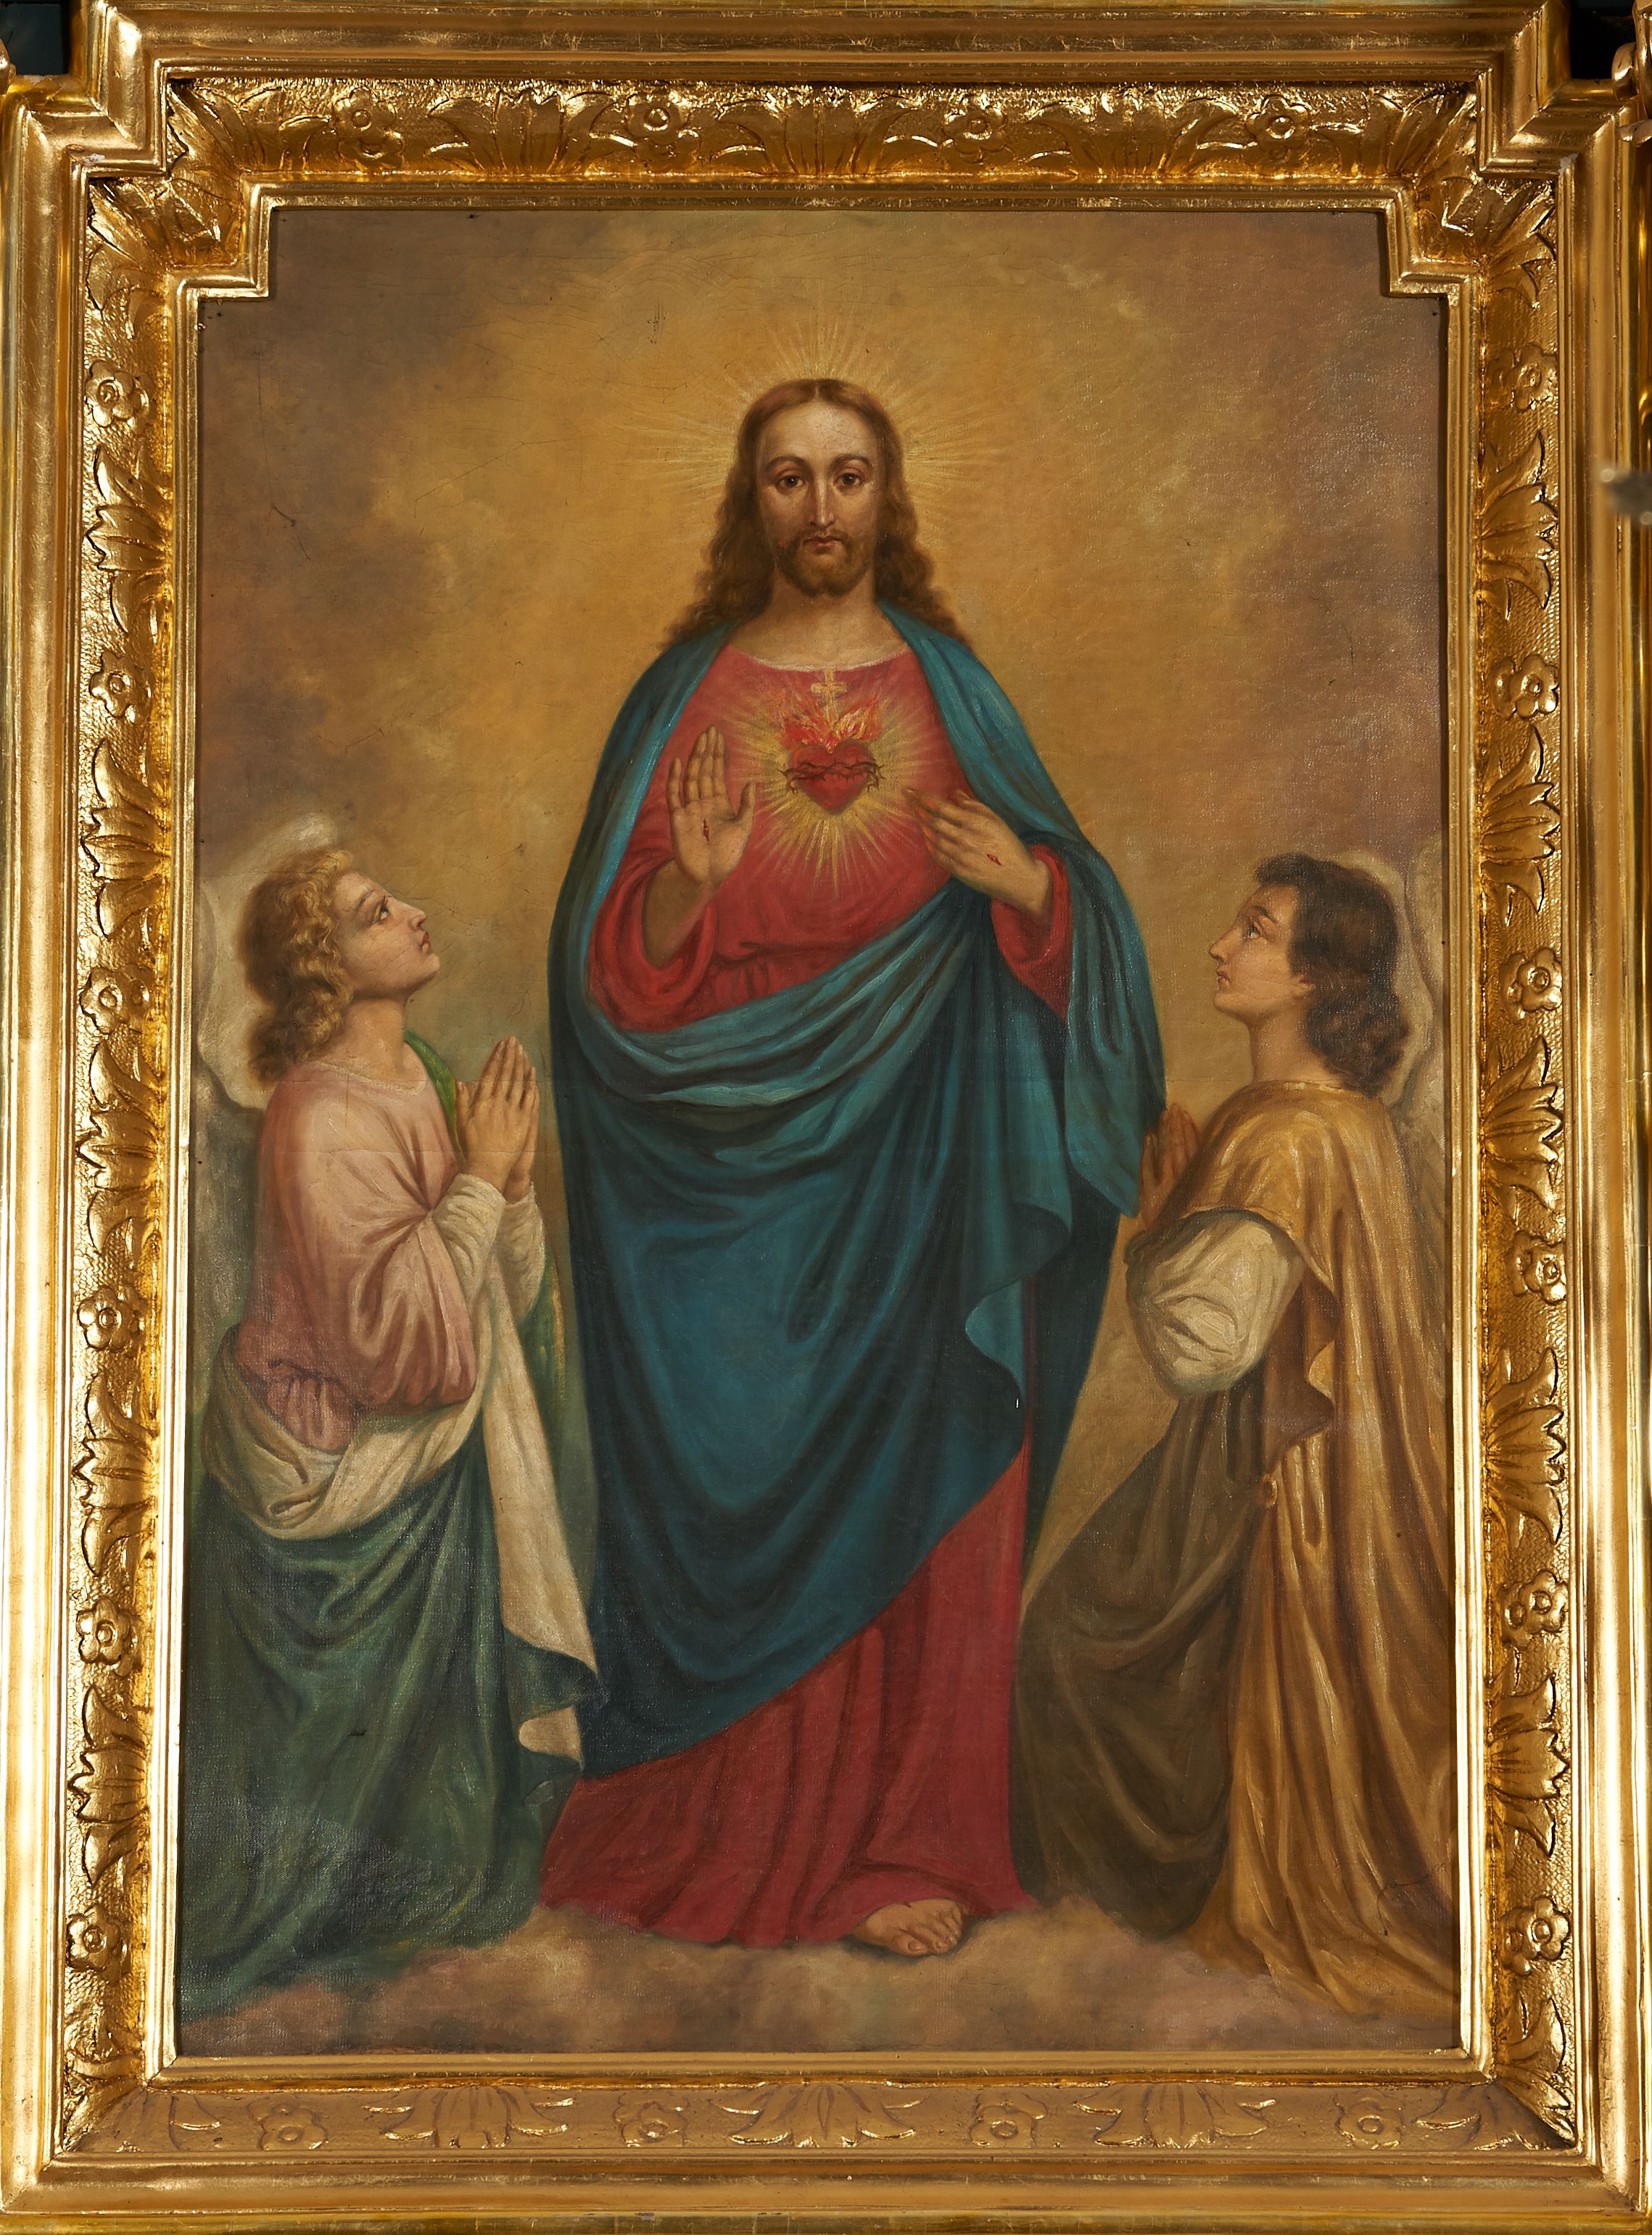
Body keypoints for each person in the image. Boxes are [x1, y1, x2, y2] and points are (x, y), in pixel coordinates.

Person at [542, 378, 1163, 1958]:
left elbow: (1074, 921)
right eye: (787, 477)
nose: (819, 507)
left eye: (847, 474)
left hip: (932, 1158)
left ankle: (906, 1843)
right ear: (747, 501)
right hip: (731, 1180)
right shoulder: (681, 694)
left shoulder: (953, 688)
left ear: (889, 495)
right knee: (740, 1489)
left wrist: (1033, 887)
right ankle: (728, 1834)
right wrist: (686, 891)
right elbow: (607, 987)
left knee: (937, 1481)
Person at [1013, 853, 1455, 2017]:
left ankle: (1128, 1905)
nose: (1222, 944)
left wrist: (1155, 1234)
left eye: (1254, 929)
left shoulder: (1285, 1139)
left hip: (1267, 1476)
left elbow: (1203, 1349)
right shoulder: (1341, 1121)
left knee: (1067, 1638)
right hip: (1313, 1462)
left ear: (1312, 978)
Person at [178, 847, 593, 2028]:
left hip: (434, 1467)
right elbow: (396, 1354)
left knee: (453, 1867)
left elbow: (505, 1304)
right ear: (328, 967)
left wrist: (506, 1187)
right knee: (308, 1883)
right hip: (331, 1482)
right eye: (375, 914)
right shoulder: (314, 1116)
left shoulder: (430, 1074)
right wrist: (483, 1181)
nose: (413, 913)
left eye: (396, 899)